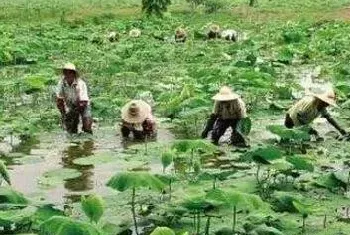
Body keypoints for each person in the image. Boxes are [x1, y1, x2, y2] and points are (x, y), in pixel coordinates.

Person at [56, 63, 93, 134]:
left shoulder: (81, 83)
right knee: (71, 129)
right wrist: (64, 114)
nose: (67, 75)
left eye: (70, 72)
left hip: (83, 105)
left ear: (73, 74)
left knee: (87, 126)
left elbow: (83, 102)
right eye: (66, 72)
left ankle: (88, 140)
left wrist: (75, 113)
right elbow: (59, 100)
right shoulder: (61, 83)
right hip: (71, 105)